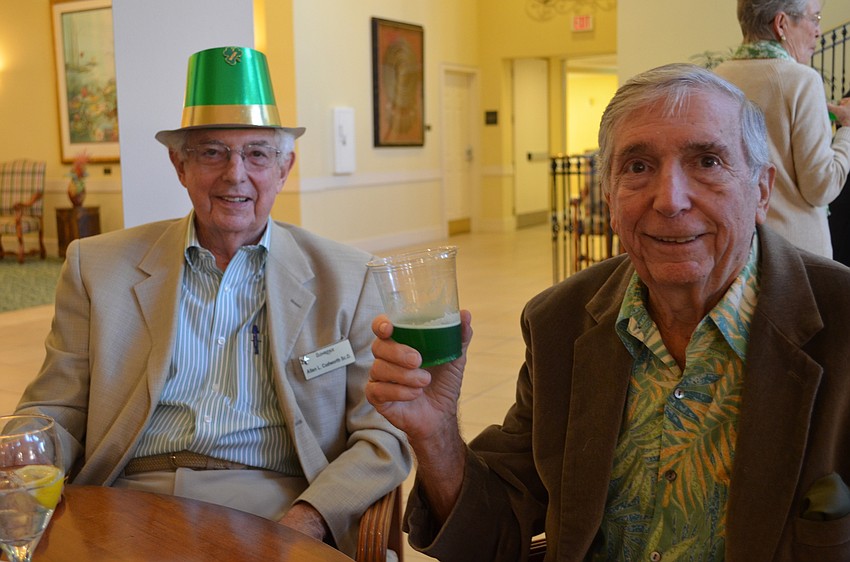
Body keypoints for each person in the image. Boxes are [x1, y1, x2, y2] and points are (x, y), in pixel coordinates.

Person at [366, 63, 850, 561]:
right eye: (638, 167)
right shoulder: (560, 321)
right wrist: (437, 432)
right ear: (609, 198)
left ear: (761, 191)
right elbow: (494, 533)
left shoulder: (841, 324)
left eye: (706, 161)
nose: (670, 200)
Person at [15, 46, 410, 557]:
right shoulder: (97, 267)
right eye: (212, 152)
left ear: (284, 167)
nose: (235, 174)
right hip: (128, 499)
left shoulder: (350, 277)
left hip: (278, 504)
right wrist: (22, 448)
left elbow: (383, 437)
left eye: (257, 153)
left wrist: (306, 523)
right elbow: (56, 407)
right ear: (180, 166)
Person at [713, 0, 850, 258]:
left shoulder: (717, 78)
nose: (818, 31)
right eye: (815, 18)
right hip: (794, 256)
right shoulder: (801, 80)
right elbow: (821, 186)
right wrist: (847, 131)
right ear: (782, 24)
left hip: (734, 251)